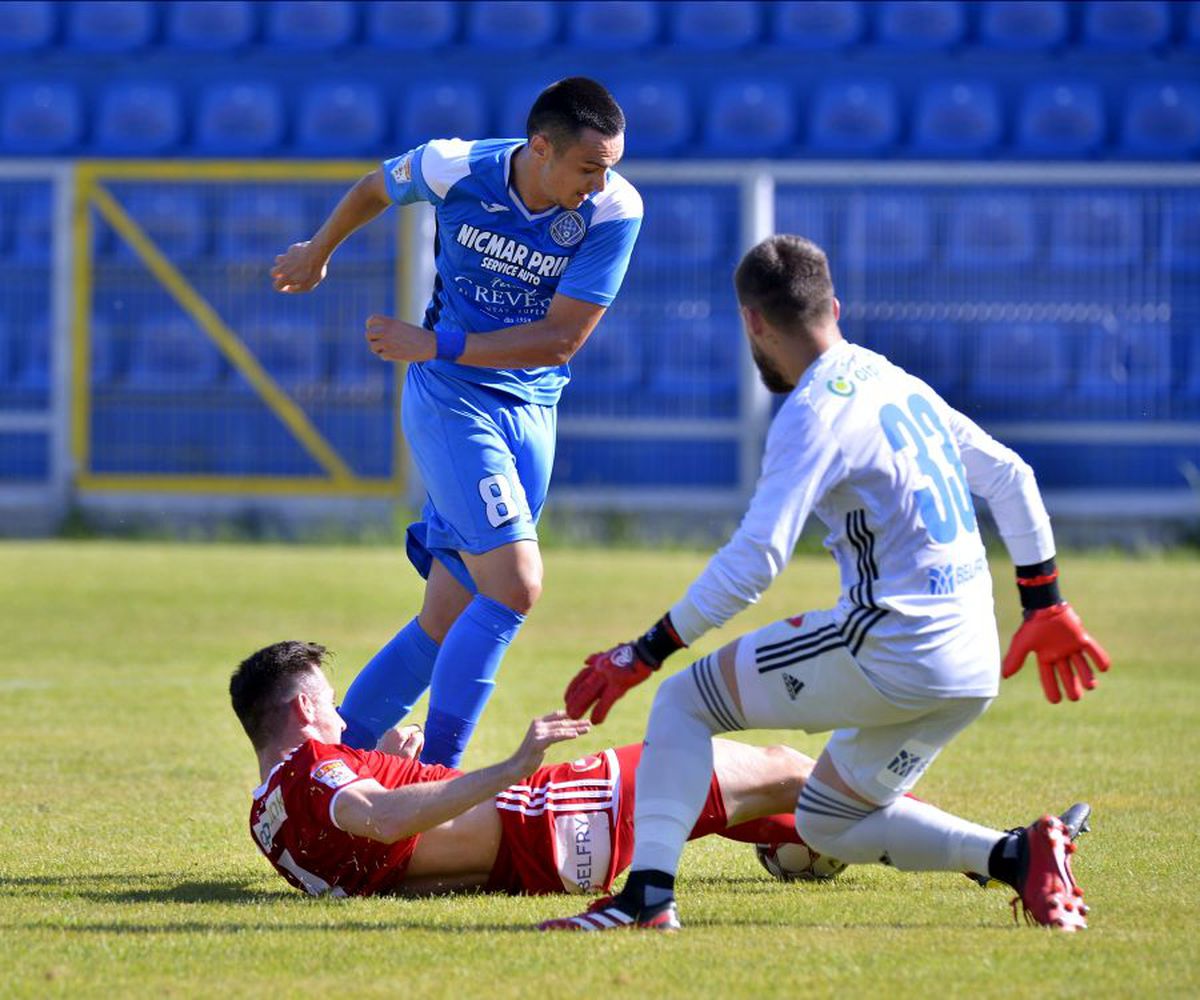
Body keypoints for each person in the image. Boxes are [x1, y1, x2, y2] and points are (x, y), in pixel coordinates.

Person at [542, 235, 1111, 933]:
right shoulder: (894, 380)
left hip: (894, 641)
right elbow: (1012, 478)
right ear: (833, 307)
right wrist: (1044, 602)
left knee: (684, 701)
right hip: (971, 662)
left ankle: (647, 897)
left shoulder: (813, 412)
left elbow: (757, 557)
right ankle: (1019, 856)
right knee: (829, 822)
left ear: (752, 321)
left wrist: (648, 648)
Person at [270, 78, 642, 768]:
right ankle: (440, 780)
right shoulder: (456, 166)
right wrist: (319, 249)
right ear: (540, 148)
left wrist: (432, 340)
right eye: (589, 166)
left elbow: (561, 341)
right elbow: (376, 188)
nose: (600, 182)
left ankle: (324, 771)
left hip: (531, 407)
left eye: (610, 167)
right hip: (451, 398)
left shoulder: (614, 209)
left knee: (446, 617)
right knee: (515, 585)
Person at [231, 640, 831, 900]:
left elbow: (386, 845)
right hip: (553, 811)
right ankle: (910, 824)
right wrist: (513, 765)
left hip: (532, 863)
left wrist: (396, 766)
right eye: (329, 702)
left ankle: (816, 835)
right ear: (305, 708)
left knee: (730, 799)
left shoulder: (267, 818)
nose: (339, 714)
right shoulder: (312, 765)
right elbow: (383, 818)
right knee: (783, 767)